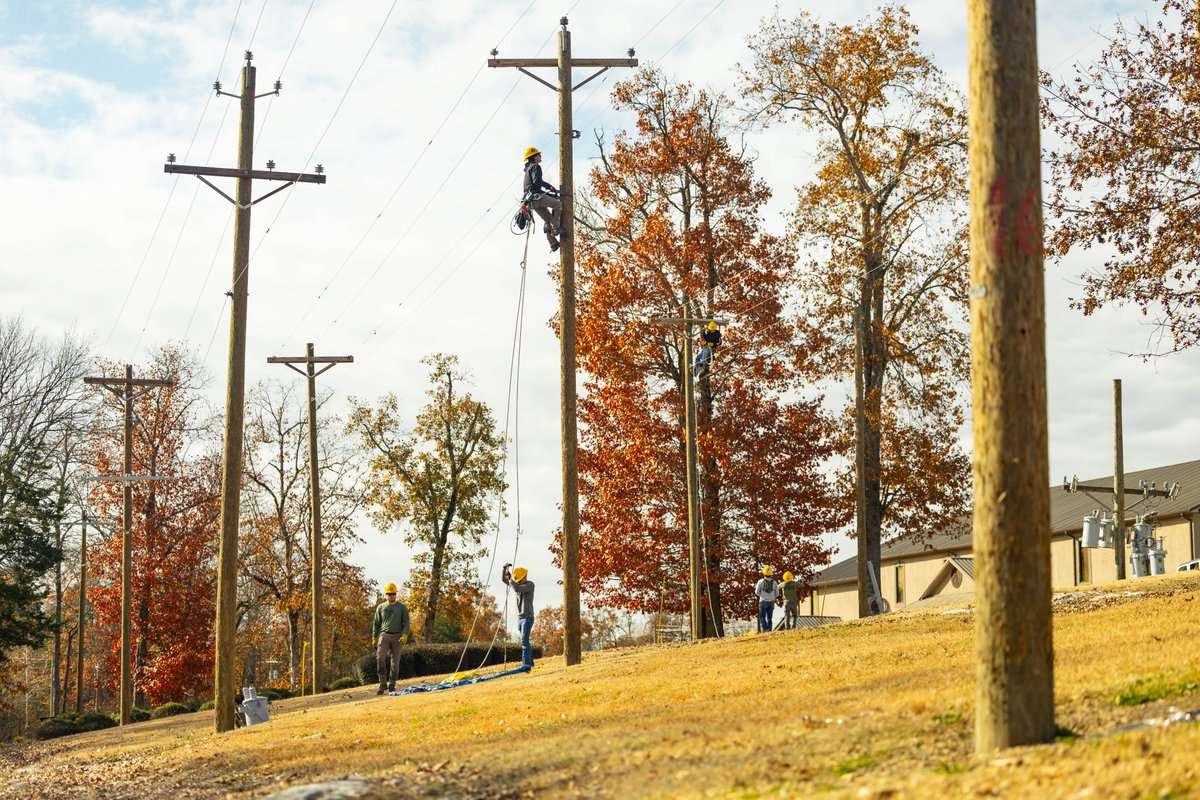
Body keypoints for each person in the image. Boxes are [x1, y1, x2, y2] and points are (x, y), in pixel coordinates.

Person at [372, 582, 411, 695]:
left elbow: (407, 623)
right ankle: (382, 683)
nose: (391, 596)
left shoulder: (402, 607)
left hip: (397, 636)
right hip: (384, 635)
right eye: (389, 594)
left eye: (393, 593)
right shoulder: (381, 607)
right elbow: (376, 623)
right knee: (380, 658)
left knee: (395, 663)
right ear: (386, 595)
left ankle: (392, 684)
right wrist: (374, 637)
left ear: (396, 594)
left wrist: (404, 635)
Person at [523, 147, 563, 252]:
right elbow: (537, 182)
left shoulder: (528, 170)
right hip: (536, 197)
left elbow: (532, 186)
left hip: (531, 202)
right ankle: (556, 230)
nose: (540, 156)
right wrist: (549, 187)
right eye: (539, 155)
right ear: (535, 156)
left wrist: (550, 193)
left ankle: (553, 243)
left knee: (548, 220)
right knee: (557, 204)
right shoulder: (535, 167)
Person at [502, 563, 536, 668]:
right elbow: (505, 581)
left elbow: (516, 588)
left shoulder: (530, 585)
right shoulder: (517, 585)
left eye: (519, 580)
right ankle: (530, 663)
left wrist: (511, 580)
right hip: (520, 618)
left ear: (523, 578)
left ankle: (526, 664)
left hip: (528, 618)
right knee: (525, 641)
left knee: (524, 642)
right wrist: (504, 571)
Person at [754, 566, 780, 633]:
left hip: (763, 601)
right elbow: (777, 594)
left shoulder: (760, 581)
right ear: (771, 574)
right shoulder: (774, 582)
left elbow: (756, 592)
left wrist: (762, 595)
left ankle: (765, 629)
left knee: (762, 617)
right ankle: (770, 630)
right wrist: (772, 596)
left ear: (764, 573)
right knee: (769, 618)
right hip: (771, 602)